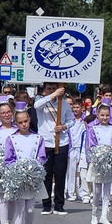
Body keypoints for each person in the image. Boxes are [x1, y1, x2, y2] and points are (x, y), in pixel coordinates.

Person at [3, 103, 48, 224]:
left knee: (30, 209)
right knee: (20, 208)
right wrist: (18, 170)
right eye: (20, 122)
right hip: (18, 178)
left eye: (26, 121)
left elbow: (42, 157)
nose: (24, 124)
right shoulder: (11, 139)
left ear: (29, 120)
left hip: (33, 177)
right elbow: (8, 160)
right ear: (16, 123)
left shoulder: (38, 138)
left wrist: (34, 167)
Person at [34, 82, 75, 215]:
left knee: (60, 173)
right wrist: (52, 95)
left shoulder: (64, 103)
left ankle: (59, 204)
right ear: (45, 90)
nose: (52, 90)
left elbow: (71, 120)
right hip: (46, 142)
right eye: (49, 89)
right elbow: (36, 106)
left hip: (61, 141)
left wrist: (63, 126)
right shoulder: (41, 100)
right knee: (46, 174)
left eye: (54, 88)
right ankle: (46, 204)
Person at [84, 102, 112, 224]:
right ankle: (94, 213)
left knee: (107, 190)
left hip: (109, 162)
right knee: (97, 189)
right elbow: (90, 145)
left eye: (107, 115)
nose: (105, 118)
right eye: (102, 115)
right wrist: (92, 158)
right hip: (98, 161)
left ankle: (104, 216)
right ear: (97, 115)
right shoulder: (92, 128)